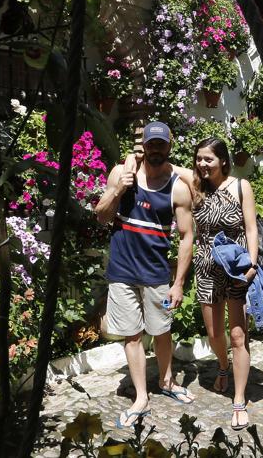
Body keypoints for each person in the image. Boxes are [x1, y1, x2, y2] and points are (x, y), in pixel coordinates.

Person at [94, 121, 196, 428]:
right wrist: (118, 189)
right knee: (132, 335)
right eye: (151, 144)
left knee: (162, 330)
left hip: (157, 276)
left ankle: (167, 381)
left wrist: (178, 283)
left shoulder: (177, 186)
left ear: (169, 147)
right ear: (143, 146)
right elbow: (101, 216)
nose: (155, 150)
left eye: (161, 145)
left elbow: (186, 237)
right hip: (122, 273)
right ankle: (141, 397)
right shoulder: (121, 173)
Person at [189, 137, 259, 431]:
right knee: (214, 333)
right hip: (206, 267)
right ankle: (222, 365)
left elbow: (251, 228)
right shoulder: (195, 187)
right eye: (199, 158)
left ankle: (239, 399)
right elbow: (167, 167)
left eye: (209, 159)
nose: (202, 164)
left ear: (223, 161)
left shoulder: (241, 187)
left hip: (236, 268)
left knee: (238, 336)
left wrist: (252, 264)